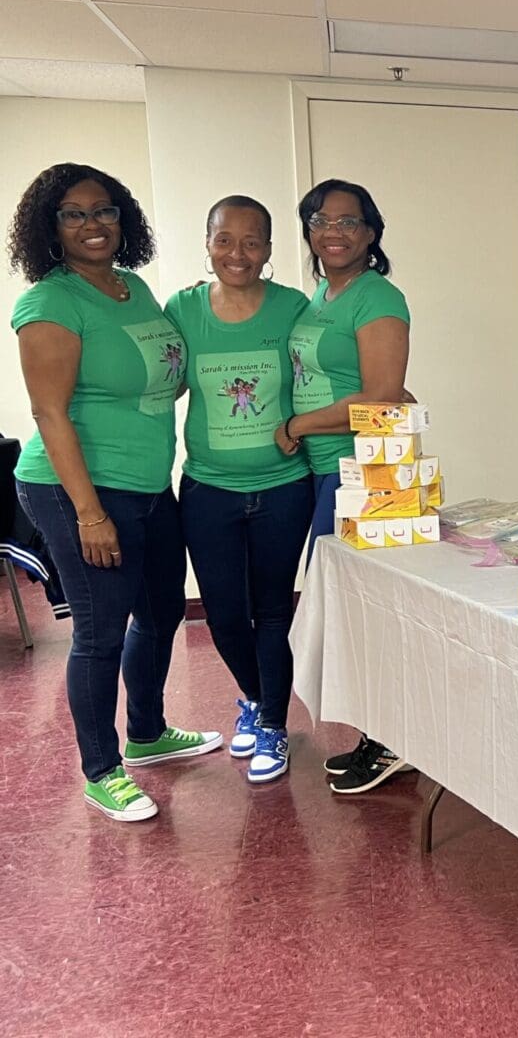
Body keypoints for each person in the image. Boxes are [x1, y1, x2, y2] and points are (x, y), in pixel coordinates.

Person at [6, 163, 220, 822]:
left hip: (150, 483)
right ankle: (101, 769)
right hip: (81, 490)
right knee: (99, 636)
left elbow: (162, 379)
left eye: (104, 210)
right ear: (51, 228)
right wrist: (90, 512)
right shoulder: (50, 303)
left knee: (158, 616)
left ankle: (148, 732)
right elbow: (49, 414)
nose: (92, 224)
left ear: (123, 218)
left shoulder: (133, 289)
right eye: (73, 214)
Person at [167, 196, 315, 784]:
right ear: (207, 243)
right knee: (224, 614)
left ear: (270, 251)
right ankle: (257, 699)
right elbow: (162, 381)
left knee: (274, 609)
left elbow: (320, 373)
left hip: (283, 486)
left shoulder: (293, 308)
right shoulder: (182, 309)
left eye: (252, 242)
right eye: (225, 239)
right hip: (209, 489)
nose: (238, 253)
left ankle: (273, 725)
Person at [280, 179, 412, 795]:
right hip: (323, 469)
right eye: (320, 220)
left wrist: (299, 424)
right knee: (344, 608)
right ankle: (379, 734)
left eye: (349, 221)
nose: (333, 231)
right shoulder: (320, 297)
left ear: (372, 233)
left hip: (365, 472)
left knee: (363, 611)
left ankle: (391, 741)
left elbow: (383, 396)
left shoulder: (377, 297)